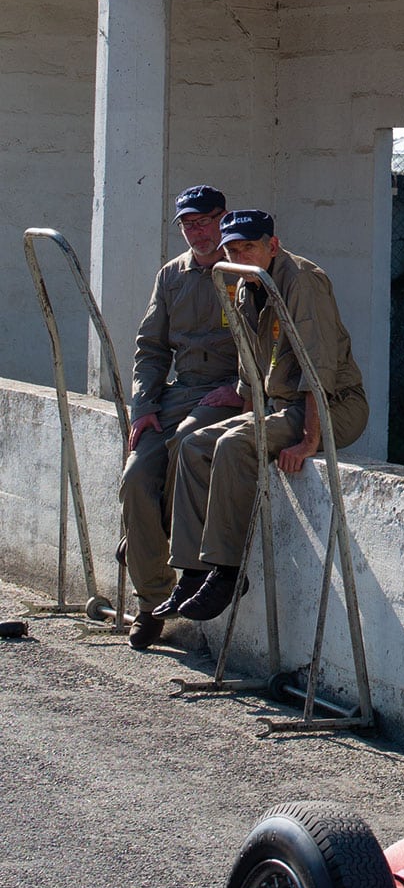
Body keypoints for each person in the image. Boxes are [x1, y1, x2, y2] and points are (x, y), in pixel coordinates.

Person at [155, 210, 368, 626]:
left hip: (332, 407)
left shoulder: (300, 280)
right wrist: (252, 420)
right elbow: (250, 371)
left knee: (235, 446)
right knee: (194, 443)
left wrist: (309, 439)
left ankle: (228, 571)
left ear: (272, 245)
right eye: (232, 249)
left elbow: (317, 366)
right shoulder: (243, 285)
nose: (240, 256)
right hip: (281, 405)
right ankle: (193, 569)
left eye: (248, 247)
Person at [121, 184, 243, 650]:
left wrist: (241, 390)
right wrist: (144, 407)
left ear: (222, 218)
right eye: (188, 224)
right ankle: (150, 601)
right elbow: (150, 348)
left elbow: (272, 347)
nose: (196, 232)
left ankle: (156, 555)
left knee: (185, 448)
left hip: (230, 392)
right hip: (178, 392)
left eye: (203, 221)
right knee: (136, 476)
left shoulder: (244, 272)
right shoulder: (171, 276)